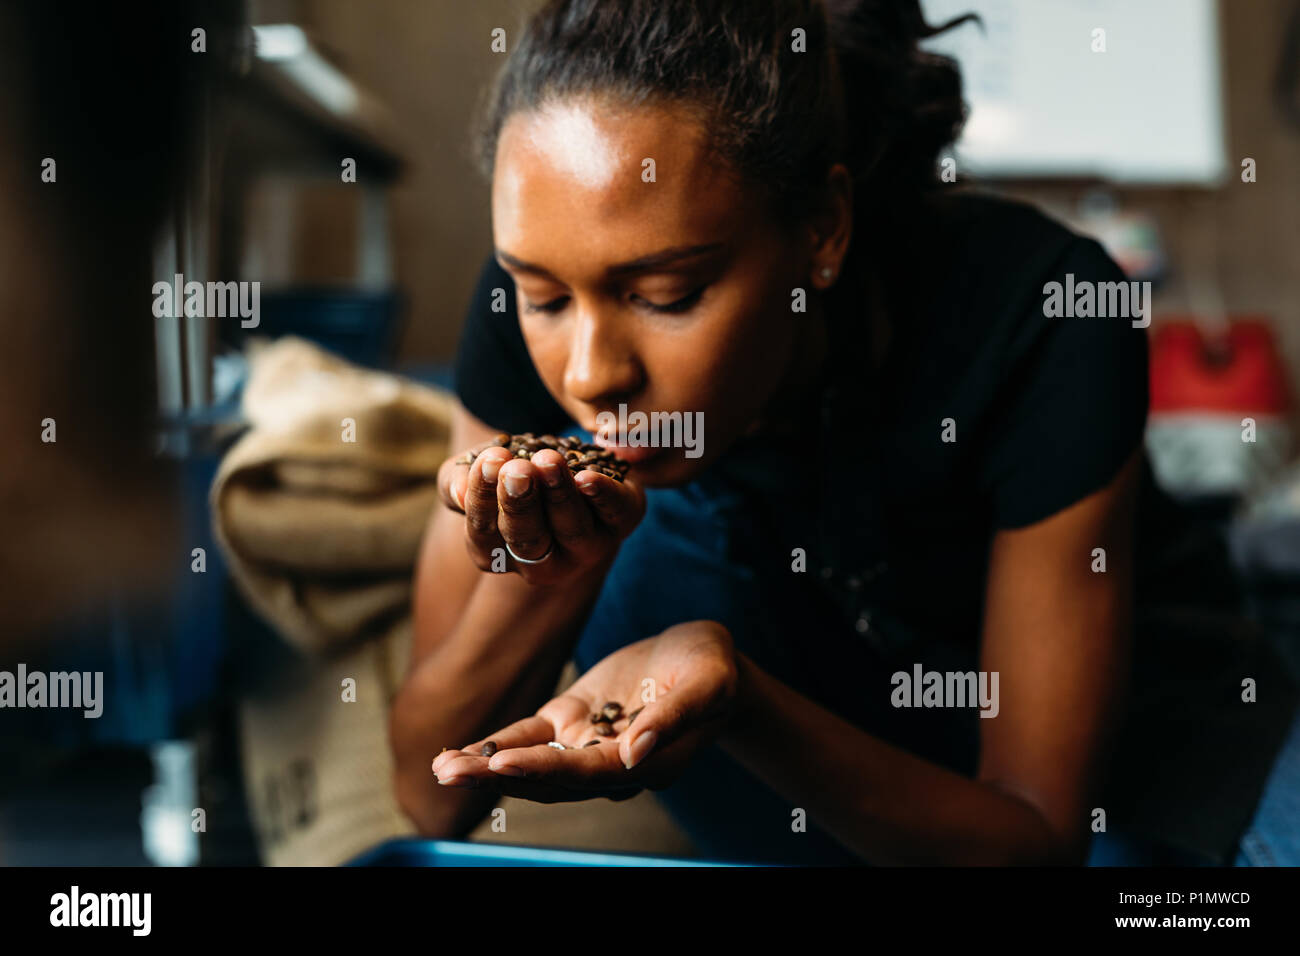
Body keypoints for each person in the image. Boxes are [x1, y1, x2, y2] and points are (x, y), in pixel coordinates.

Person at [391, 0, 1299, 865]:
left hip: (1134, 748)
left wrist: (742, 702)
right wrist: (551, 575)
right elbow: (432, 796)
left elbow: (1033, 837)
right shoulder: (523, 316)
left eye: (665, 296)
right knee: (645, 554)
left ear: (821, 230)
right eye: (543, 296)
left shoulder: (1043, 314)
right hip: (820, 746)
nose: (591, 374)